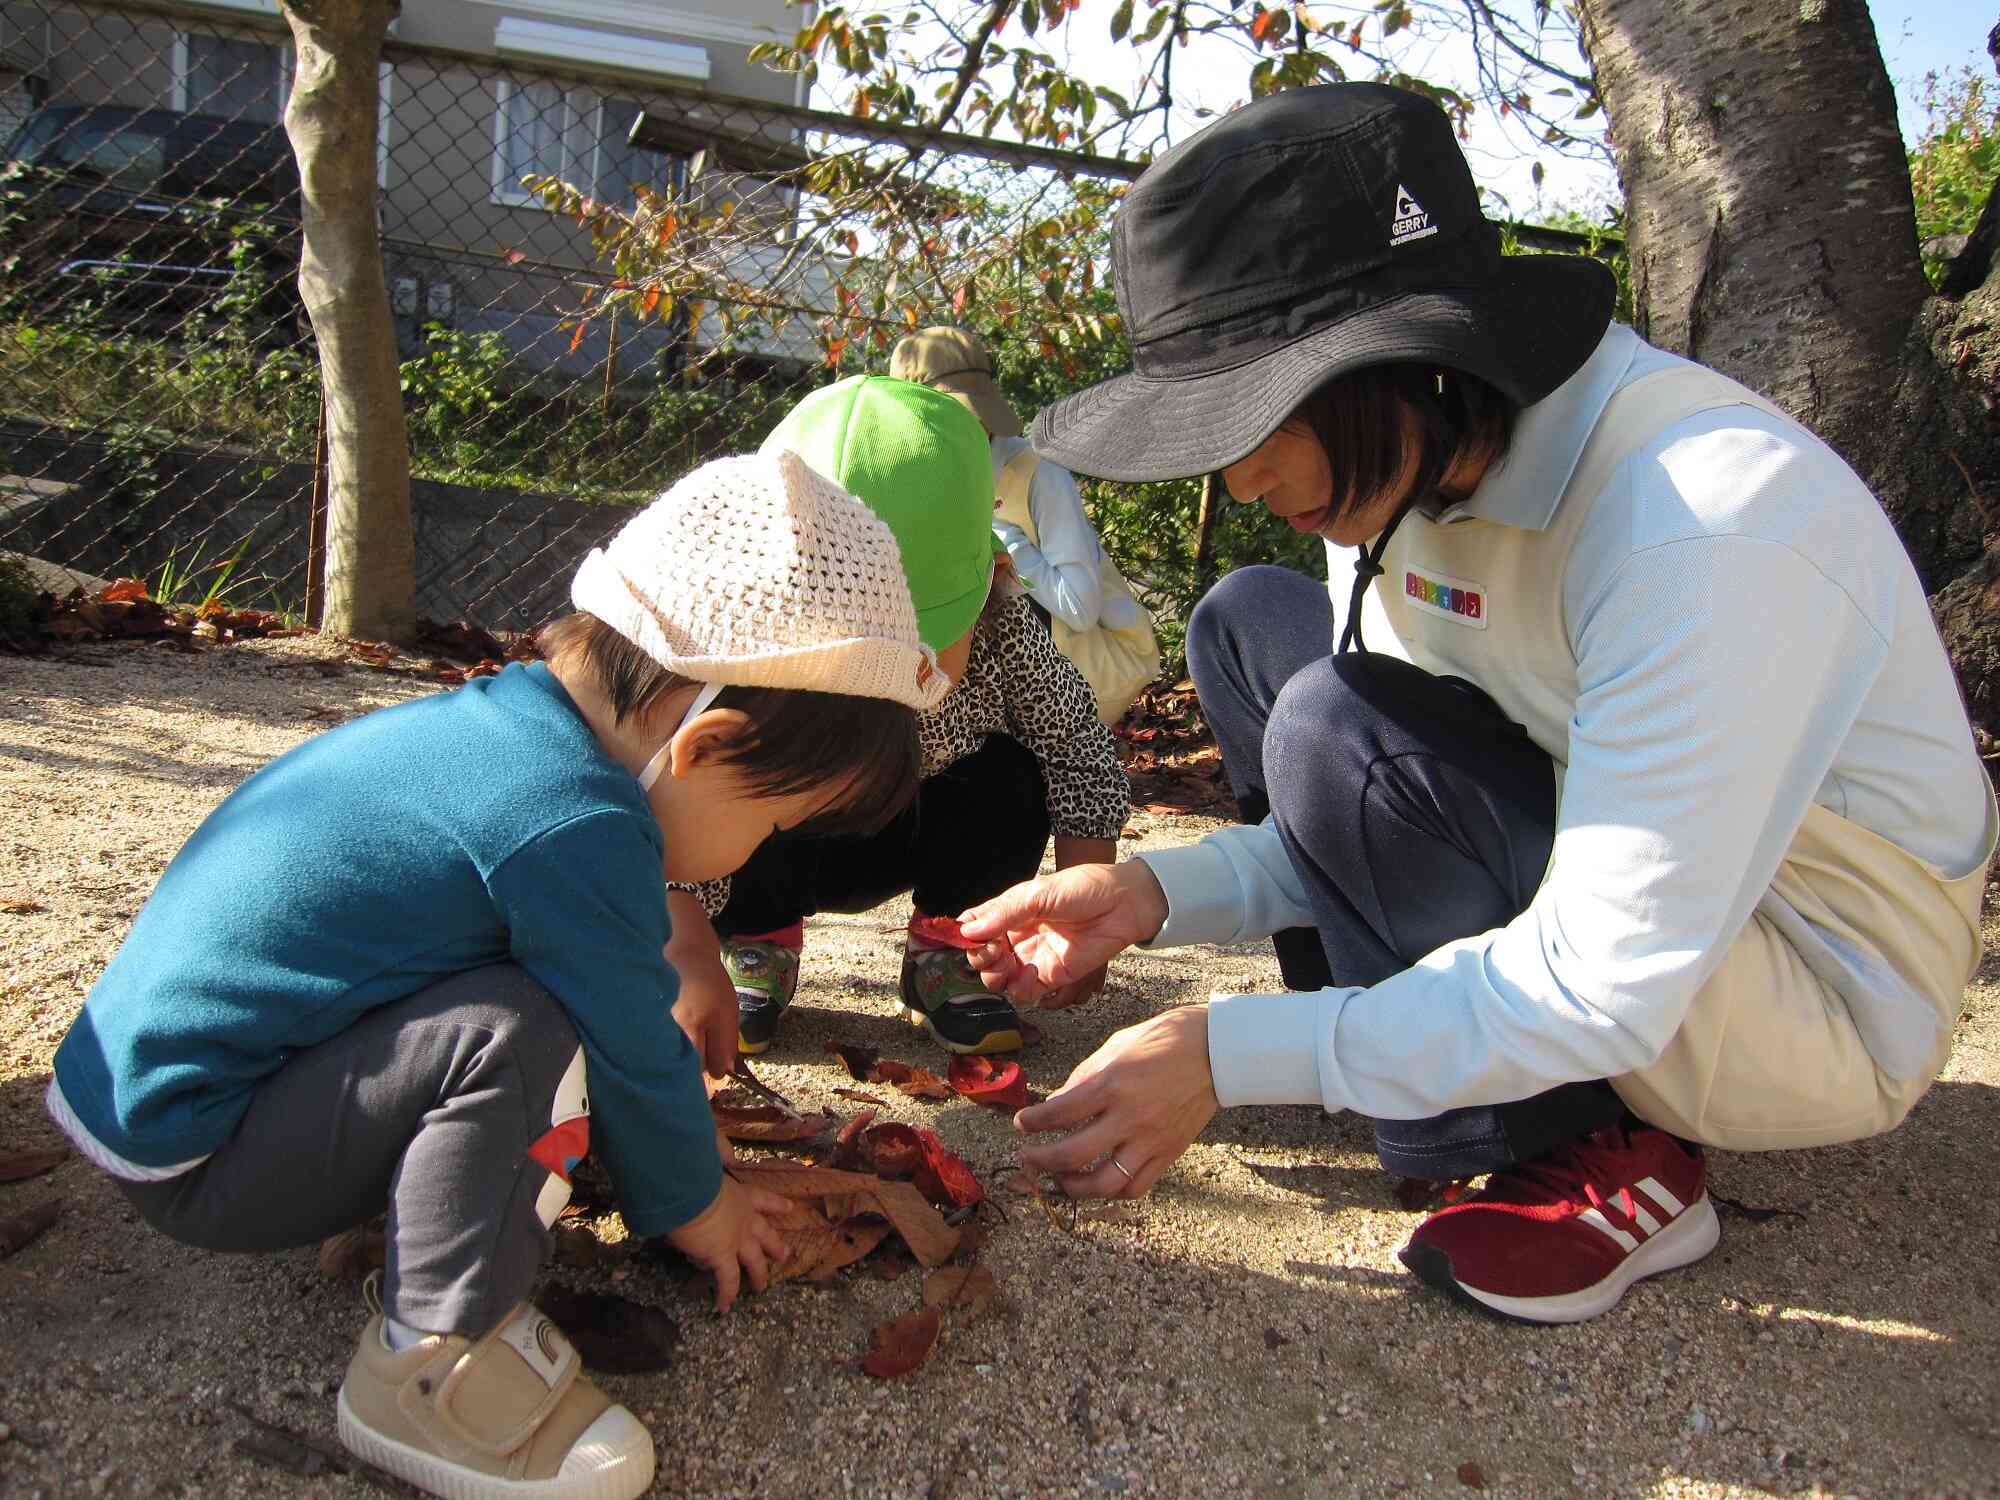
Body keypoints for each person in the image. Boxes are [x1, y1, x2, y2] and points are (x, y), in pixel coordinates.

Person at [957, 82, 1995, 1325]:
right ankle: (1415, 1050)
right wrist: (1155, 894)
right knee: (1249, 625)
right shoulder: (1401, 456)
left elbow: (1597, 969)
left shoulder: (1703, 520)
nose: (1236, 474)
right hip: (1612, 871)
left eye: (1253, 416)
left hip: (1795, 985)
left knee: (1328, 715)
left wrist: (1230, 1053)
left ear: (1409, 356)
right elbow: (1395, 792)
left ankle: (1591, 1154)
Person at [43, 449, 947, 1500]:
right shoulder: (577, 822)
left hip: (147, 1099)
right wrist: (696, 1203)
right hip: (204, 1154)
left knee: (522, 1009)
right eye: (772, 824)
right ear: (706, 748)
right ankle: (434, 1364)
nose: (757, 856)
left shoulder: (503, 740)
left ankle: (428, 1200)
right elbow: (629, 1044)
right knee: (527, 1030)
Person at [674, 375, 1129, 1058]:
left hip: (914, 827)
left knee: (1014, 770)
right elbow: (679, 794)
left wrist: (1086, 912)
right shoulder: (745, 644)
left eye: (917, 633)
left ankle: (949, 950)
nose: (892, 665)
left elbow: (1076, 746)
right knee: (737, 766)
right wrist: (685, 950)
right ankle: (757, 944)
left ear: (986, 577)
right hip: (778, 843)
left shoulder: (1003, 629)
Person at [891, 326, 1161, 724]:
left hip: (1073, 679)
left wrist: (1006, 541)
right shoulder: (912, 476)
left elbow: (1079, 607)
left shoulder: (1037, 474)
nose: (975, 428)